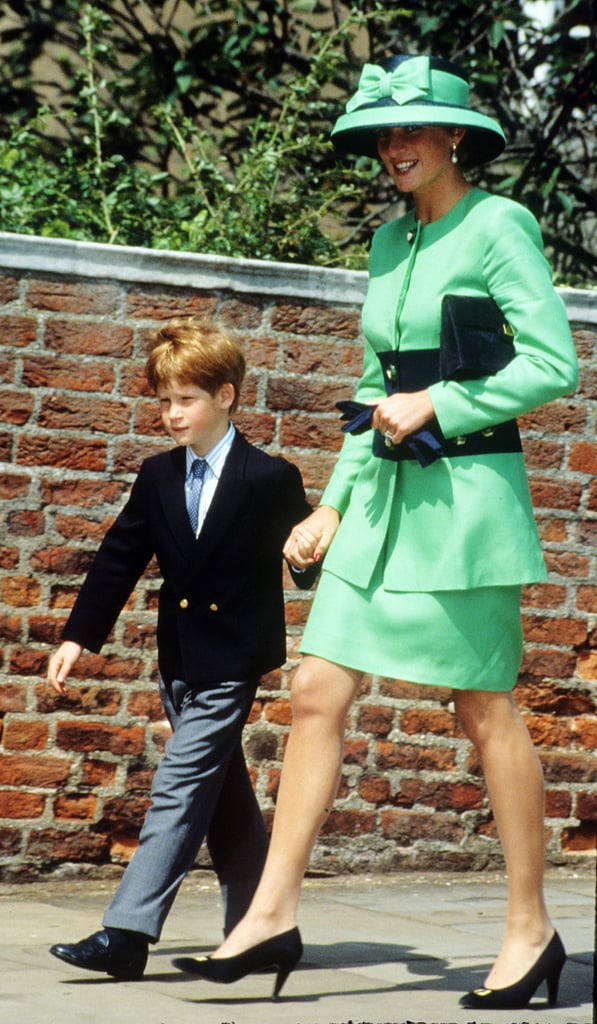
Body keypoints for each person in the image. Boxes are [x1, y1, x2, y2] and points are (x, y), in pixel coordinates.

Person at [171, 55, 579, 1010]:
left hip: (467, 509)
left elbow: (552, 363)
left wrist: (440, 397)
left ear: (454, 139)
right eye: (384, 134)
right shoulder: (389, 246)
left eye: (413, 131)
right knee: (314, 688)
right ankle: (270, 912)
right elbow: (369, 390)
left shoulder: (498, 224)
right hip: (382, 509)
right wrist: (330, 505)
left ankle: (531, 930)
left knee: (484, 711)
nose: (395, 148)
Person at [47, 318, 317, 981]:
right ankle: (267, 928)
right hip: (179, 659)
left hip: (233, 659)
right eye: (164, 400)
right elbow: (119, 556)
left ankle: (127, 933)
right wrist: (79, 635)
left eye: (186, 399)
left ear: (226, 395)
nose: (171, 414)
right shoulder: (158, 476)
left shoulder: (267, 477)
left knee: (177, 786)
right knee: (222, 799)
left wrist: (305, 552)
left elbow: (307, 556)